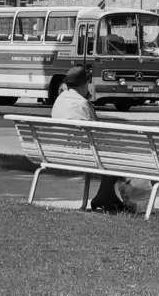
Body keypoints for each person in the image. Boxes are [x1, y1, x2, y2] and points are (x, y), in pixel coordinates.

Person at [52, 65, 134, 214]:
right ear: (84, 85)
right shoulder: (82, 104)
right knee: (116, 155)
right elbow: (96, 134)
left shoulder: (60, 99)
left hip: (60, 152)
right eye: (88, 83)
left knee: (111, 154)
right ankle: (103, 197)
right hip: (83, 155)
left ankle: (108, 197)